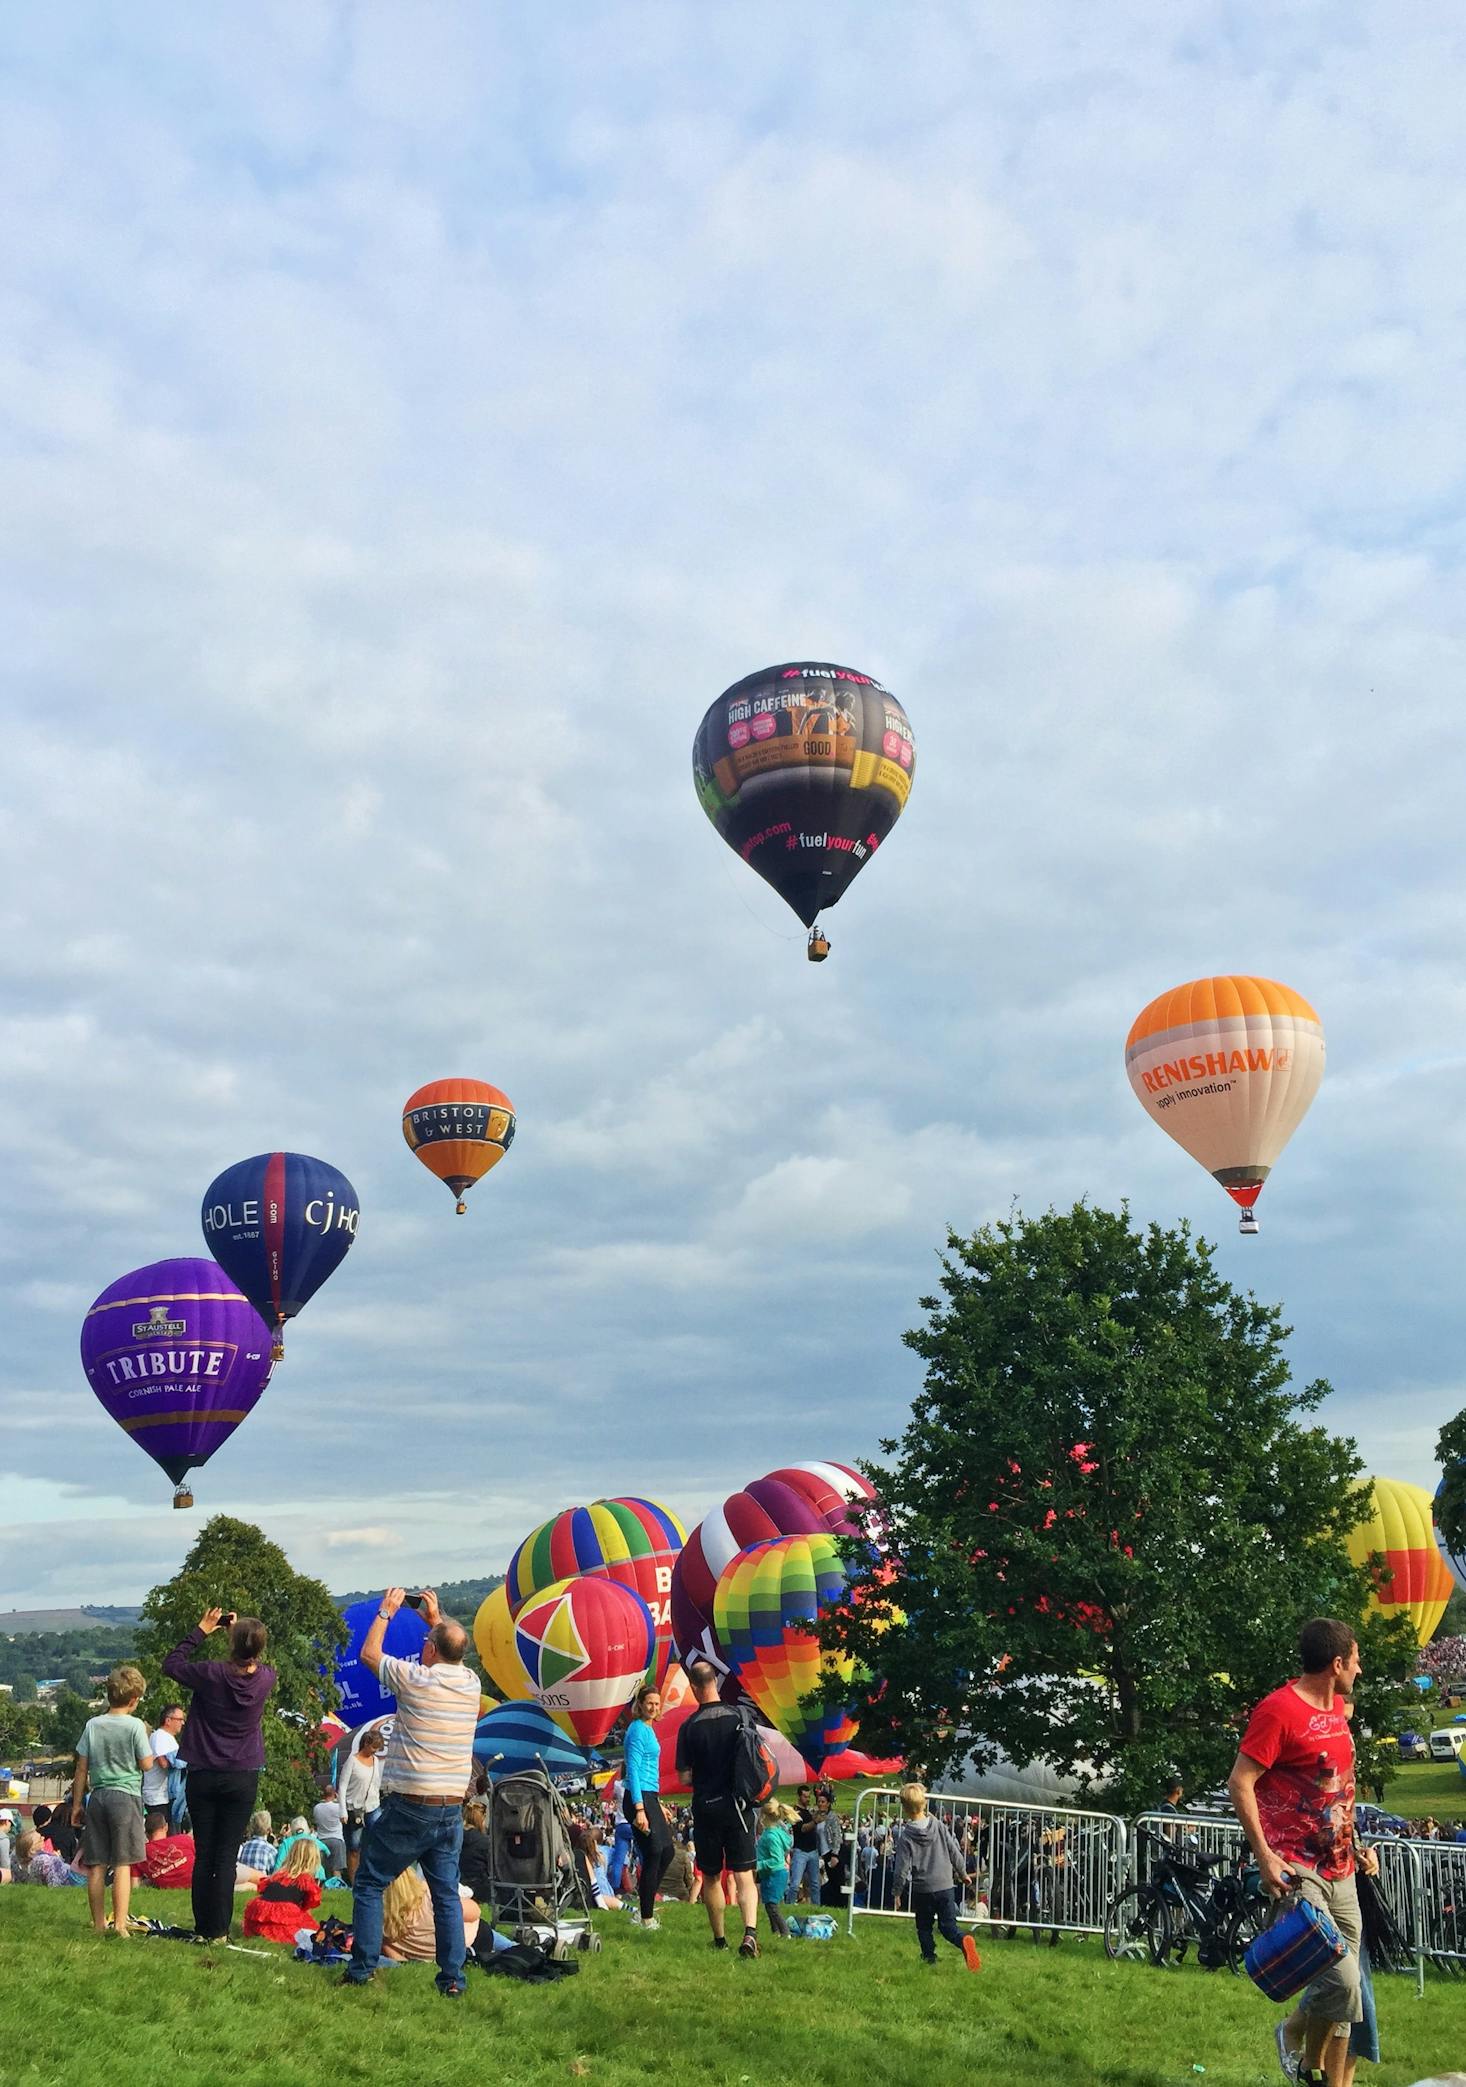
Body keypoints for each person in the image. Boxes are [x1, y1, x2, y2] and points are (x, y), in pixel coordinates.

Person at [1228, 1619, 1364, 2087]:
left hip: (1344, 1867)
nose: (1360, 1670)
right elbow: (1239, 1782)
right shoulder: (1279, 1711)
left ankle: (1318, 2076)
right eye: (1357, 1659)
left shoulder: (1340, 1710)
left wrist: (1360, 1845)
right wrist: (1264, 1855)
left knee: (1345, 1996)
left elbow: (1341, 1787)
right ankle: (1294, 2041)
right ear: (1337, 1663)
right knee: (1343, 1981)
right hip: (1298, 1868)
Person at [339, 1588, 480, 1996]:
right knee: (445, 1894)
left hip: (410, 1803)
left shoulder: (415, 1680)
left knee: (369, 1882)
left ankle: (362, 1968)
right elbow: (454, 1647)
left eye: (426, 1646)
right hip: (451, 1807)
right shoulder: (470, 1684)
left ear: (431, 1651)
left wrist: (386, 1612)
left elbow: (368, 1655)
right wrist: (434, 1618)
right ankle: (452, 1979)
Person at [163, 1606, 277, 1945]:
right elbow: (246, 1659)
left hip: (203, 1771)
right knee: (227, 1854)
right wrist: (239, 1633)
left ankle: (203, 1928)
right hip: (242, 1774)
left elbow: (172, 1664)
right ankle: (220, 1932)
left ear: (232, 1642)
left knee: (205, 1852)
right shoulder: (266, 1677)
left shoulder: (210, 1673)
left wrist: (202, 1629)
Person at [674, 1660, 760, 1958]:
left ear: (694, 1688)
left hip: (706, 1807)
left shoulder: (689, 1727)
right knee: (744, 1874)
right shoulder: (739, 1716)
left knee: (711, 1876)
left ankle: (720, 1938)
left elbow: (685, 1776)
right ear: (715, 1683)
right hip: (739, 1806)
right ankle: (749, 1934)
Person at [71, 1662, 153, 1937]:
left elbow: (81, 1767)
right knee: (122, 1863)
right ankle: (119, 1925)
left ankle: (97, 1924)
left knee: (96, 1863)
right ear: (133, 1700)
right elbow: (146, 1764)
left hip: (98, 1797)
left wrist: (76, 1804)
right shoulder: (135, 1726)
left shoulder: (92, 1725)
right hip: (126, 1797)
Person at [892, 1783, 981, 1971]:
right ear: (924, 1804)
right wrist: (963, 1873)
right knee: (948, 1926)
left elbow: (901, 1869)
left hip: (923, 1889)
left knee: (924, 1927)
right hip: (945, 1885)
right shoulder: (939, 1826)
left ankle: (929, 1957)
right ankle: (962, 1939)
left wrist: (897, 1892)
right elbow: (954, 1851)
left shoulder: (906, 1837)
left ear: (904, 1808)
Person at [623, 1682, 675, 1931]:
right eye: (649, 1703)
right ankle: (645, 1917)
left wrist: (657, 1804)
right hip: (638, 1796)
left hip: (650, 1795)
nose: (653, 1707)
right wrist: (640, 1808)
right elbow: (633, 1770)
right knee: (654, 1851)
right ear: (640, 1705)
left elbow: (649, 1770)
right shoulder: (636, 1730)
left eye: (657, 1703)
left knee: (667, 1852)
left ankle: (644, 1905)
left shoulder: (649, 1729)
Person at [380, 1865, 481, 1963]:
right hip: (469, 1939)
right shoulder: (430, 1898)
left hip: (423, 1955)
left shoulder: (378, 1921)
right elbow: (475, 1911)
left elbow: (390, 1950)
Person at [242, 1837, 323, 1943]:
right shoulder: (305, 1881)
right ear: (313, 1860)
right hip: (281, 1921)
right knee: (312, 1931)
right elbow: (306, 1910)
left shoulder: (277, 1876)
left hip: (258, 1917)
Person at [339, 1725, 386, 1883]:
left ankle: (375, 1876)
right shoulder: (352, 1760)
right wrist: (343, 1811)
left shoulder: (375, 1761)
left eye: (377, 1749)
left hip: (373, 1807)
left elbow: (377, 1784)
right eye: (373, 1747)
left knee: (379, 1841)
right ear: (366, 1743)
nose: (375, 1751)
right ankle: (354, 1882)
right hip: (354, 1809)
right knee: (354, 1847)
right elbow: (343, 1786)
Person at [143, 1704, 186, 1833]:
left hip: (166, 1796)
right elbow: (163, 1763)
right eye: (179, 1719)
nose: (182, 1723)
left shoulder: (169, 1738)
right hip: (157, 1797)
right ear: (168, 1720)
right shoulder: (160, 1736)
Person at [755, 1801, 794, 1937]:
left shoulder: (771, 1836)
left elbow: (776, 1860)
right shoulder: (776, 1832)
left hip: (774, 1874)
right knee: (769, 1904)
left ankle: (784, 1932)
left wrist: (758, 1865)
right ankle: (775, 1932)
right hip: (771, 1875)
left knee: (772, 1906)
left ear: (763, 1817)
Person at [142, 1813, 197, 1890]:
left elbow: (135, 1884)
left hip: (167, 1885)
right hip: (194, 1881)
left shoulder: (142, 1852)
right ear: (166, 1827)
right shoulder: (184, 1839)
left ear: (146, 1834)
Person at [13, 1827, 83, 1886]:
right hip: (73, 1880)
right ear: (32, 1849)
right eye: (40, 1839)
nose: (43, 1838)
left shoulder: (20, 1863)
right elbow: (54, 1883)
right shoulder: (43, 1860)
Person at [789, 1785, 821, 1904]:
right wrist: (815, 1821)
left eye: (809, 1797)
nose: (807, 1799)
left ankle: (817, 1907)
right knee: (795, 1884)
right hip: (800, 1850)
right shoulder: (795, 1812)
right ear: (799, 1796)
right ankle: (790, 1904)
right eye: (805, 1796)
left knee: (815, 1884)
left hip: (812, 1850)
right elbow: (802, 1828)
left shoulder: (808, 1811)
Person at [459, 1799, 492, 1902]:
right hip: (481, 1887)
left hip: (459, 1882)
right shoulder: (485, 1842)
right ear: (482, 1818)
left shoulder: (457, 1838)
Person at [313, 1787, 346, 1878]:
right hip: (336, 1839)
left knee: (322, 1869)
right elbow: (344, 1819)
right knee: (336, 1869)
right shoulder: (338, 1807)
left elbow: (316, 1822)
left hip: (321, 1840)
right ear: (334, 1794)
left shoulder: (317, 1808)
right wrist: (339, 1799)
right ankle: (337, 1887)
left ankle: (324, 1887)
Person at [238, 1809, 276, 1876]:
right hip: (261, 1884)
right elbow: (275, 1873)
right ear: (269, 1829)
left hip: (244, 1884)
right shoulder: (270, 1850)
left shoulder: (245, 1847)